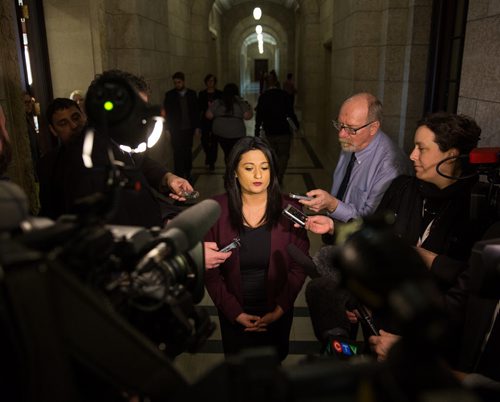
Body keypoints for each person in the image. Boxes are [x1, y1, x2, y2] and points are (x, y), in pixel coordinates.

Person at [38, 70, 193, 226]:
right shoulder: (88, 162)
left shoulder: (116, 140)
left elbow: (139, 163)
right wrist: (166, 224)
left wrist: (167, 178)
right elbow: (120, 220)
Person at [204, 136, 309, 361]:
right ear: (234, 172)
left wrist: (279, 311)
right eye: (249, 168)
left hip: (277, 312)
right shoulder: (215, 211)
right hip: (234, 313)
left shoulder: (291, 210)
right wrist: (235, 313)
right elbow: (211, 273)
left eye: (265, 167)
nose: (259, 175)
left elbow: (299, 267)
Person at [299, 92, 411, 222]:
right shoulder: (351, 142)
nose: (341, 134)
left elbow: (371, 221)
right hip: (334, 228)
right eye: (340, 125)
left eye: (351, 129)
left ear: (373, 128)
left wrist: (332, 205)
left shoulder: (390, 167)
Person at [254, 73, 295, 184]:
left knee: (271, 155)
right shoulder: (284, 95)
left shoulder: (263, 97)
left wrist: (256, 131)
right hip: (283, 131)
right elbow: (290, 112)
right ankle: (279, 175)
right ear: (277, 82)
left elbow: (259, 116)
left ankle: (272, 176)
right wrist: (296, 125)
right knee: (283, 155)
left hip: (269, 131)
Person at [163, 71, 200, 181]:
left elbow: (196, 112)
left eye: (179, 82)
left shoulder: (192, 94)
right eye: (175, 83)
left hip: (188, 128)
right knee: (177, 151)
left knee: (187, 150)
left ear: (183, 82)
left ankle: (187, 171)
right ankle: (179, 173)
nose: (177, 85)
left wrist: (197, 127)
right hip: (176, 129)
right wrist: (167, 129)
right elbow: (167, 114)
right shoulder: (170, 95)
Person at [206, 83, 252, 164]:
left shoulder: (218, 102)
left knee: (227, 152)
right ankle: (232, 169)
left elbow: (208, 115)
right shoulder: (240, 102)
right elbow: (247, 116)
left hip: (220, 132)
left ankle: (229, 166)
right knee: (234, 153)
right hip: (237, 133)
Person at [198, 74, 222, 171]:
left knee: (214, 142)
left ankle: (212, 162)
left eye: (212, 81)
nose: (210, 83)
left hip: (216, 120)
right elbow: (199, 108)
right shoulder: (202, 94)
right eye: (208, 81)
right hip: (205, 121)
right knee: (204, 141)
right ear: (206, 82)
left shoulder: (220, 94)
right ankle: (208, 156)